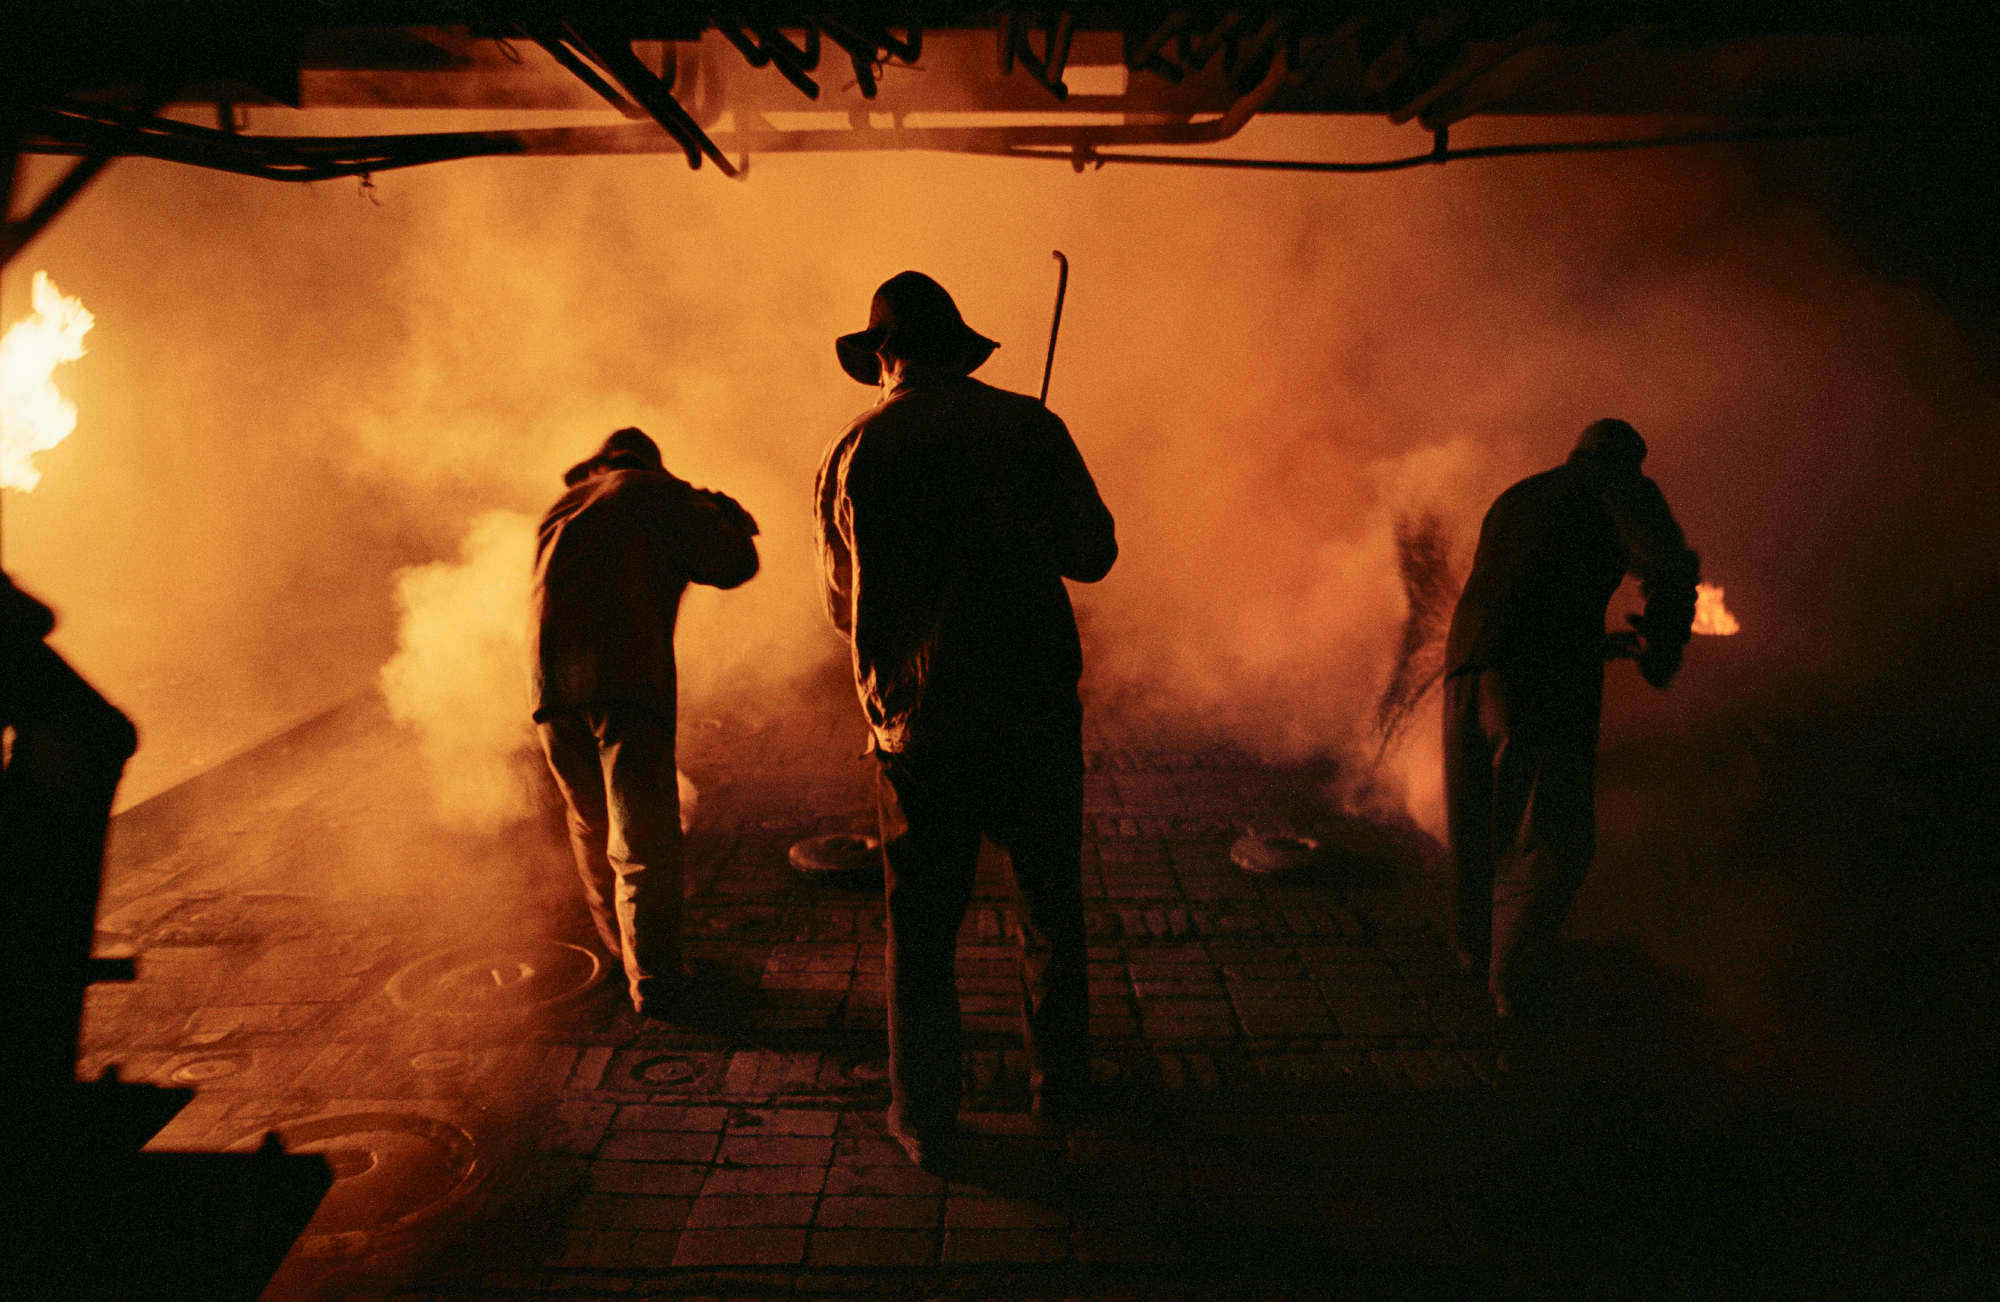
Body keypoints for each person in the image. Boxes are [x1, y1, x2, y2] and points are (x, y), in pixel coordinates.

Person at [815, 271, 1117, 1171]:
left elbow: (842, 606)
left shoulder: (852, 451)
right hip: (1029, 711)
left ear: (884, 359)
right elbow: (1093, 554)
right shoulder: (1032, 426)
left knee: (921, 935)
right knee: (1051, 910)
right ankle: (1059, 1088)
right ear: (960, 351)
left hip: (920, 729)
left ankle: (925, 1120)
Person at [1442, 418, 1699, 1021]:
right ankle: (1518, 984)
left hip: (1466, 668)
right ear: (1627, 463)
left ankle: (1475, 951)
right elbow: (1669, 568)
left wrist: (1594, 643)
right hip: (1537, 675)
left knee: (1479, 818)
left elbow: (1525, 588)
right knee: (1547, 829)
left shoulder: (1520, 494)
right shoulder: (1620, 488)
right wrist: (1664, 649)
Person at [532, 427, 759, 1018]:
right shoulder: (653, 491)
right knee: (643, 843)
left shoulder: (563, 505)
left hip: (551, 692)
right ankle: (657, 985)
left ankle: (621, 958)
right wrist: (723, 511)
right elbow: (734, 562)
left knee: (588, 825)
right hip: (624, 681)